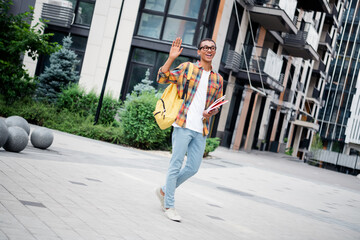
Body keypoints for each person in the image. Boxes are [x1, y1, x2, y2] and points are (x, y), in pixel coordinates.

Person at [155, 37, 223, 222]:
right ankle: (169, 204)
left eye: (212, 48)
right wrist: (171, 58)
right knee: (175, 165)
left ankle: (163, 190)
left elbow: (216, 105)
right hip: (183, 124)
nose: (209, 50)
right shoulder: (188, 68)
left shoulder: (218, 79)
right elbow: (162, 77)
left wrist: (212, 112)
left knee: (193, 167)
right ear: (199, 51)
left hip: (201, 129)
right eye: (205, 47)